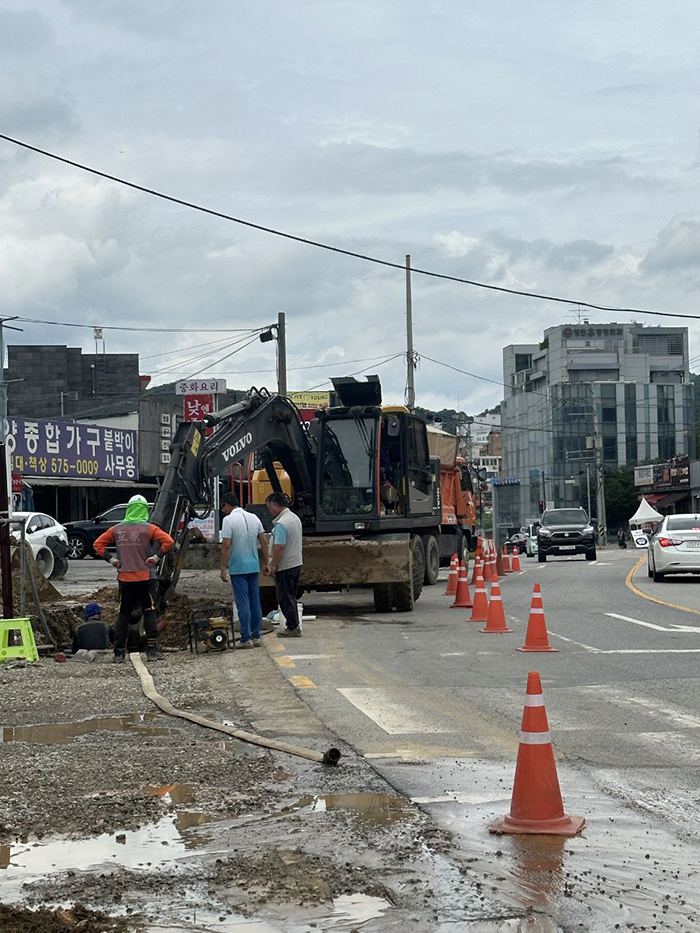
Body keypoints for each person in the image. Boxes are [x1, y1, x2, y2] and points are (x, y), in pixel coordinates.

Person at [94, 495, 173, 663]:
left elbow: (97, 545)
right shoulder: (149, 529)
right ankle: (152, 650)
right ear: (144, 510)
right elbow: (168, 541)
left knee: (123, 614)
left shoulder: (117, 529)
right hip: (146, 578)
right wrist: (156, 557)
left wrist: (112, 560)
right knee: (149, 611)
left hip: (125, 579)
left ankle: (119, 653)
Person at [219, 492, 269, 648]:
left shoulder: (228, 520)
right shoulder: (254, 517)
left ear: (227, 505)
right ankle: (256, 636)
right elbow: (264, 542)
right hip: (253, 566)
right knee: (255, 601)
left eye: (223, 508)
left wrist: (223, 567)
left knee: (243, 602)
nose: (223, 511)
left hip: (238, 567)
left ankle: (245, 638)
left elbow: (226, 544)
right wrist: (268, 562)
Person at [264, 492, 303, 638]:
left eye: (269, 507)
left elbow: (279, 546)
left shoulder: (282, 523)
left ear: (275, 505)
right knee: (290, 595)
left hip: (285, 565)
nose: (268, 511)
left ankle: (292, 627)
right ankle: (294, 625)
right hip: (295, 563)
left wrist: (273, 564)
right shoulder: (294, 518)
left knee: (284, 597)